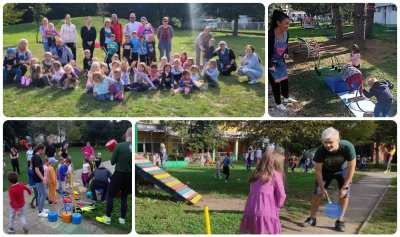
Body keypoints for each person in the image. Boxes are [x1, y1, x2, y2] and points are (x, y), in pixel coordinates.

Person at [302, 127, 356, 232]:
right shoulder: (320, 151)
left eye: (330, 142)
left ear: (338, 140)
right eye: (325, 142)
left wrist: (345, 187)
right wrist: (322, 188)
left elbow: (352, 168)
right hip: (326, 171)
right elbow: (317, 170)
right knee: (317, 192)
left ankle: (339, 221)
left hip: (343, 171)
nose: (328, 145)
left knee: (345, 194)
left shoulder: (347, 147)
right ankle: (312, 218)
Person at [240, 148, 286, 234]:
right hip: (267, 211)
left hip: (250, 210)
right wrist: (278, 206)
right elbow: (282, 195)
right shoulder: (275, 174)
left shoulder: (255, 174)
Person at [96, 127, 132, 225]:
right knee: (124, 197)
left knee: (110, 194)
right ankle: (122, 219)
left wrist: (115, 152)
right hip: (130, 176)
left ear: (126, 135)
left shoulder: (119, 146)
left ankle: (108, 218)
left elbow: (112, 162)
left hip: (119, 174)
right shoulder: (136, 147)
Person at [268, 10, 297, 112]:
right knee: (276, 84)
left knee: (284, 80)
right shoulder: (270, 35)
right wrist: (269, 64)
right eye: (286, 23)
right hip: (271, 63)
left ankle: (286, 98)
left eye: (288, 23)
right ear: (278, 23)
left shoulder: (286, 34)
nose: (288, 26)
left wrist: (286, 52)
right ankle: (278, 103)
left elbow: (286, 46)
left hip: (281, 61)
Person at [31, 144, 49, 218]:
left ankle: (41, 209)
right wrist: (43, 179)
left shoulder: (34, 156)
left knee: (39, 194)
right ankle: (41, 211)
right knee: (44, 193)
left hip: (37, 178)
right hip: (38, 179)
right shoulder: (37, 157)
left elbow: (33, 167)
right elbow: (36, 169)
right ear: (40, 150)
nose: (44, 151)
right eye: (43, 149)